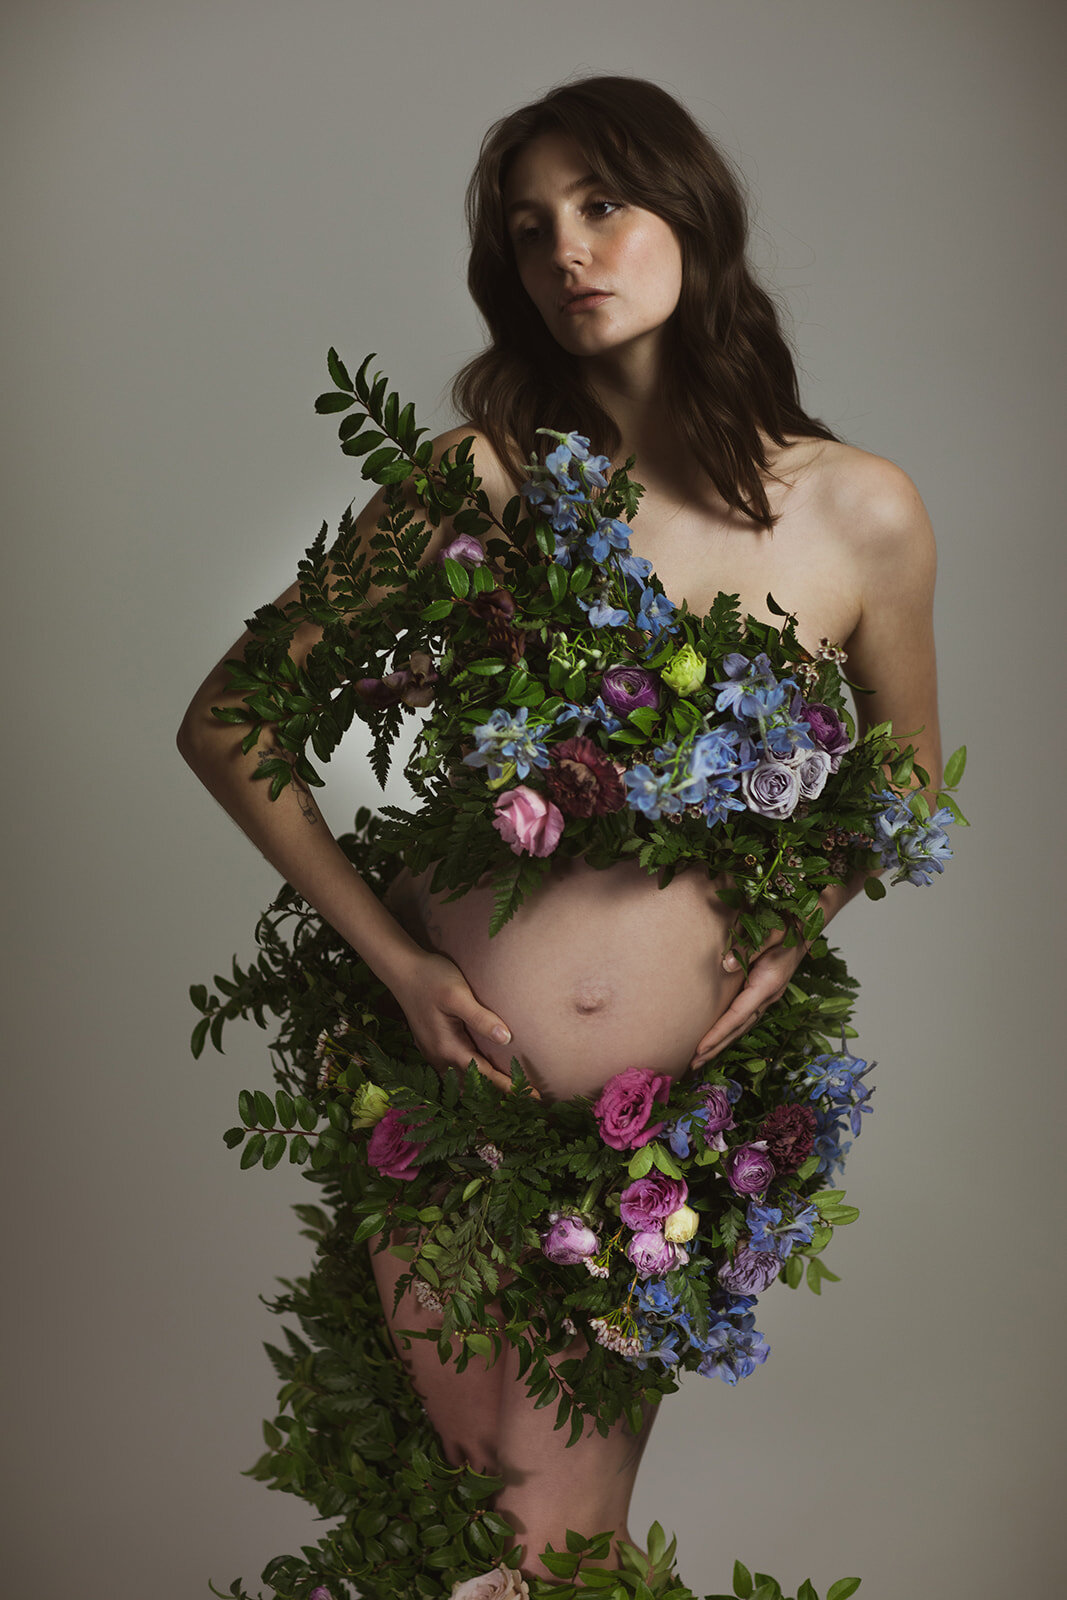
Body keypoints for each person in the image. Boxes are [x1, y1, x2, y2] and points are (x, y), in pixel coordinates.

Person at [178, 76, 942, 1586]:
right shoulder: (478, 483)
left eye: (603, 205)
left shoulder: (858, 511)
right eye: (530, 231)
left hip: (657, 1138)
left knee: (554, 1537)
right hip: (443, 1088)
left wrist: (793, 932)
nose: (567, 252)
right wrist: (399, 965)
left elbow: (907, 771)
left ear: (694, 216)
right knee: (470, 1515)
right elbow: (230, 719)